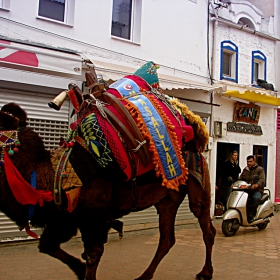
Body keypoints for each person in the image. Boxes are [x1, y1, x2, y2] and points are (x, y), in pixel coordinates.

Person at [239, 155, 265, 223]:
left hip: (257, 190)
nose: (249, 163)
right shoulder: (245, 170)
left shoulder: (259, 169)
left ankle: (251, 215)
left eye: (250, 161)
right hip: (247, 190)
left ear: (254, 161)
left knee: (255, 198)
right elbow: (240, 178)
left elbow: (262, 179)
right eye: (248, 162)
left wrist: (257, 185)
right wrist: (236, 184)